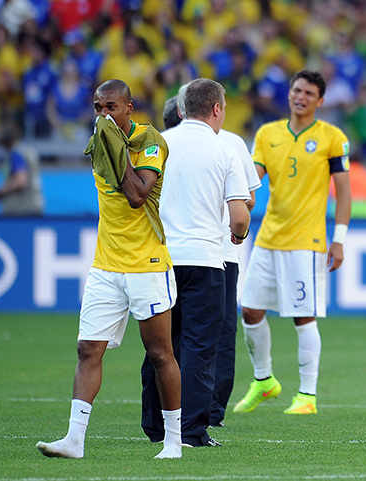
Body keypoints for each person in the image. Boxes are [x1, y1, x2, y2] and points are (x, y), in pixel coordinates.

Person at [36, 79, 182, 459]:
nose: (103, 115)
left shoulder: (152, 142)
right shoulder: (102, 142)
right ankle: (74, 440)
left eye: (111, 107)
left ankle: (173, 442)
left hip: (147, 265)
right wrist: (110, 144)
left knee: (160, 353)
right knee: (88, 349)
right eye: (98, 108)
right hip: (106, 265)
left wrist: (118, 151)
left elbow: (137, 196)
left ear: (129, 109)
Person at [233, 69, 351, 415]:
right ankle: (264, 381)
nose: (301, 97)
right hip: (268, 238)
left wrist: (339, 240)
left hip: (307, 241)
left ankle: (308, 396)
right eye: (296, 90)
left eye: (309, 93)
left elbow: (342, 191)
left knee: (303, 317)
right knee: (251, 310)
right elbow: (252, 183)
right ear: (288, 93)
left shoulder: (332, 137)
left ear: (320, 101)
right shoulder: (267, 134)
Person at [140, 78, 251, 447]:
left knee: (160, 344)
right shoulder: (224, 150)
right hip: (204, 260)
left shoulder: (160, 143)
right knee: (200, 345)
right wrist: (238, 235)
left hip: (160, 258)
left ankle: (156, 426)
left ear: (183, 108)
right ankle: (190, 431)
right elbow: (239, 215)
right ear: (217, 109)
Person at [0, 122, 44, 216]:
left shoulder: (16, 154)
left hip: (21, 211)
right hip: (33, 208)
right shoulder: (27, 151)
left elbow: (20, 181)